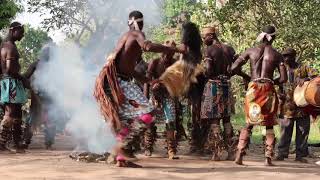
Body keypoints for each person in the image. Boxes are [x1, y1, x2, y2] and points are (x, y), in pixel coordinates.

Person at [94, 11, 182, 168]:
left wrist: (149, 80)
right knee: (149, 112)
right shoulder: (135, 33)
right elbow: (148, 46)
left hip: (117, 81)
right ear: (139, 23)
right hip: (119, 82)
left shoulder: (125, 37)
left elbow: (130, 70)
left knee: (126, 121)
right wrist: (173, 50)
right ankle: (122, 144)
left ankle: (121, 158)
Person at [231, 25, 287, 166]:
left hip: (253, 88)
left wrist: (247, 77)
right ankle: (268, 157)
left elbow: (233, 68)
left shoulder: (251, 51)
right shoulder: (277, 55)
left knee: (249, 122)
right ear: (273, 37)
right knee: (268, 124)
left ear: (261, 36)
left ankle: (239, 154)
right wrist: (270, 82)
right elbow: (283, 78)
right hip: (267, 89)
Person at [200, 26, 245, 161]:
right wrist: (229, 72)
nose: (204, 40)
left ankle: (217, 153)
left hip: (214, 85)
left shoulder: (210, 50)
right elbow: (237, 66)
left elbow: (208, 69)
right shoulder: (229, 49)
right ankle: (231, 152)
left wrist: (203, 72)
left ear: (211, 36)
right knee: (226, 119)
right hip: (226, 85)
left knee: (214, 119)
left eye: (205, 37)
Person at [276, 48, 318, 163]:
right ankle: (282, 153)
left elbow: (316, 77)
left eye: (288, 56)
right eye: (284, 56)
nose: (286, 58)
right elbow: (278, 82)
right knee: (285, 129)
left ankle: (301, 155)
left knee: (302, 130)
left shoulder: (303, 67)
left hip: (302, 105)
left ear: (294, 56)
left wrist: (305, 79)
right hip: (287, 105)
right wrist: (279, 94)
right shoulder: (282, 69)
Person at [144, 40, 179, 159]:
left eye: (172, 51)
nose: (170, 53)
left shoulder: (175, 63)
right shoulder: (154, 62)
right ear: (163, 50)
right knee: (149, 121)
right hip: (155, 95)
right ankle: (148, 147)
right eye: (168, 50)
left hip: (169, 95)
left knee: (170, 121)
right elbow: (147, 79)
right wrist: (153, 84)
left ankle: (171, 150)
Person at [0, 22, 29, 153]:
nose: (22, 35)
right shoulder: (9, 47)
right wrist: (23, 79)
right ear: (14, 31)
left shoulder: (7, 45)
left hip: (12, 81)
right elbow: (10, 69)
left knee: (17, 113)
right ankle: (1, 143)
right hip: (11, 82)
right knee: (10, 113)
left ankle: (16, 143)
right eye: (21, 32)